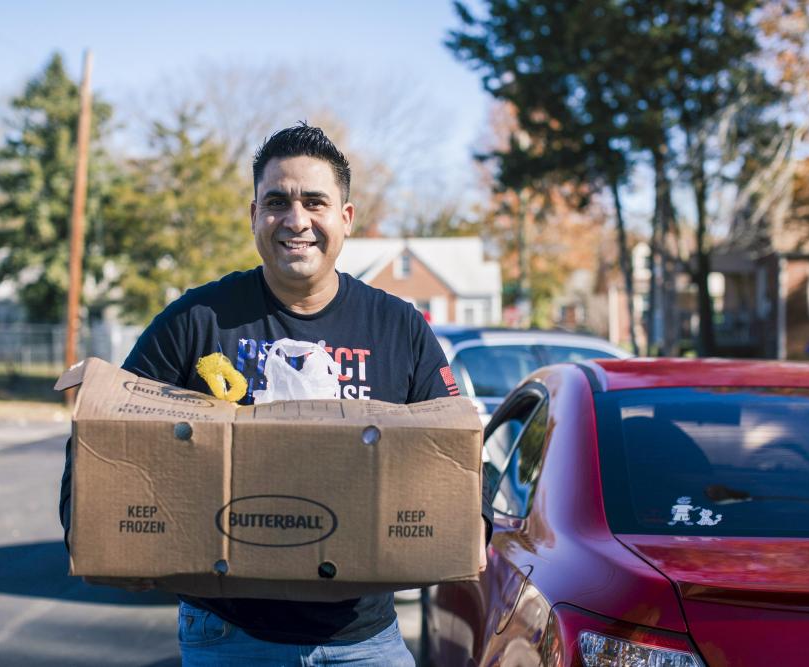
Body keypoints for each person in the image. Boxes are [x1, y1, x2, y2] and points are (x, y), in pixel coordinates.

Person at [59, 122, 493, 665]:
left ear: (346, 218)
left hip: (362, 637)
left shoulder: (398, 327)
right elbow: (105, 428)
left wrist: (476, 523)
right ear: (254, 216)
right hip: (233, 634)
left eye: (315, 202)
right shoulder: (197, 321)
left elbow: (458, 445)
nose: (296, 221)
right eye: (277, 202)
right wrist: (96, 528)